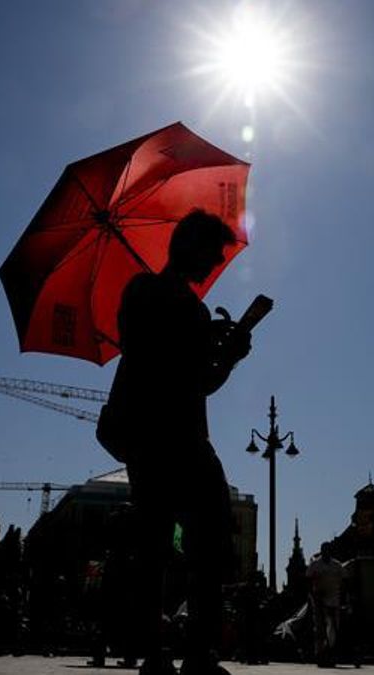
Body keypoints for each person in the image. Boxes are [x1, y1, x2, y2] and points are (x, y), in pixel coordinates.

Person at [109, 209, 252, 675]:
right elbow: (153, 356)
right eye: (212, 253)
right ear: (190, 246)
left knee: (203, 542)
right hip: (159, 436)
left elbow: (202, 382)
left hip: (182, 435)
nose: (214, 264)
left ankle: (190, 652)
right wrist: (203, 340)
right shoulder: (144, 292)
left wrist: (223, 355)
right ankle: (160, 652)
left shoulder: (190, 307)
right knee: (165, 544)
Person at [306, 543, 344, 668]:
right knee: (320, 629)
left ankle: (331, 652)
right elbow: (307, 581)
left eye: (328, 550)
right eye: (324, 550)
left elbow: (345, 581)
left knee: (333, 628)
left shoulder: (337, 565)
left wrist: (345, 598)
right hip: (319, 601)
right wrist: (314, 595)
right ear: (322, 551)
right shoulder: (315, 565)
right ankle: (320, 654)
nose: (326, 552)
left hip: (334, 601)